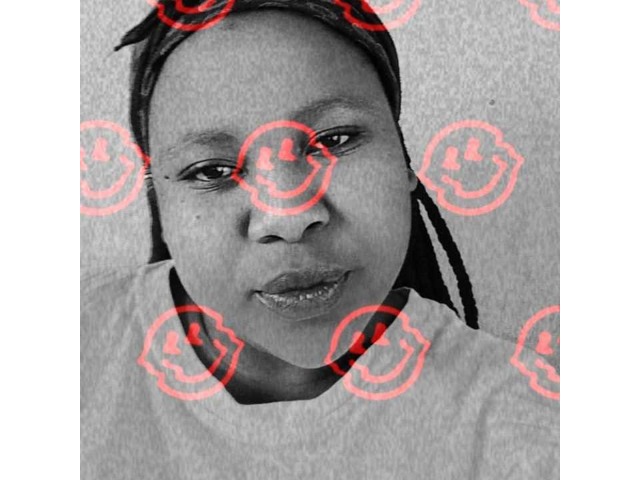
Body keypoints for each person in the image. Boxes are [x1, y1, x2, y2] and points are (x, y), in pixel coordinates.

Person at [81, 1, 559, 478]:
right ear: (161, 205)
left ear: (403, 161)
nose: (287, 217)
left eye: (333, 141)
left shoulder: (532, 428)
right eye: (211, 171)